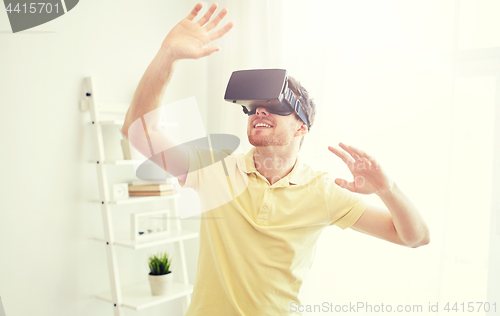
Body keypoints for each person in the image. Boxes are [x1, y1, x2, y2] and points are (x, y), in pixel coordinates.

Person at [121, 3, 430, 315]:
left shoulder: (322, 192)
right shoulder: (215, 170)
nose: (259, 111)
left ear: (301, 127)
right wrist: (167, 55)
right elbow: (138, 132)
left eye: (275, 105)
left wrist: (386, 189)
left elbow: (415, 238)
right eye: (253, 106)